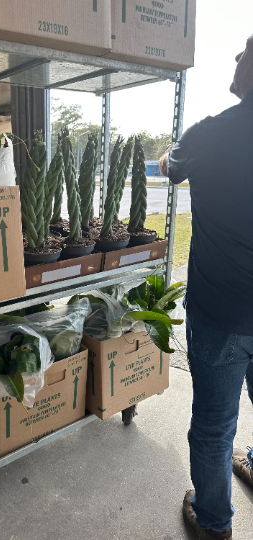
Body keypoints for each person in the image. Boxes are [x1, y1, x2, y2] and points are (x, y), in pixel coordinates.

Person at [159, 35, 253, 540]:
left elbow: (167, 170)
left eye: (246, 51)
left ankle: (214, 521)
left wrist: (168, 156)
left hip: (220, 314)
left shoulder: (208, 134)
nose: (237, 58)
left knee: (214, 428)